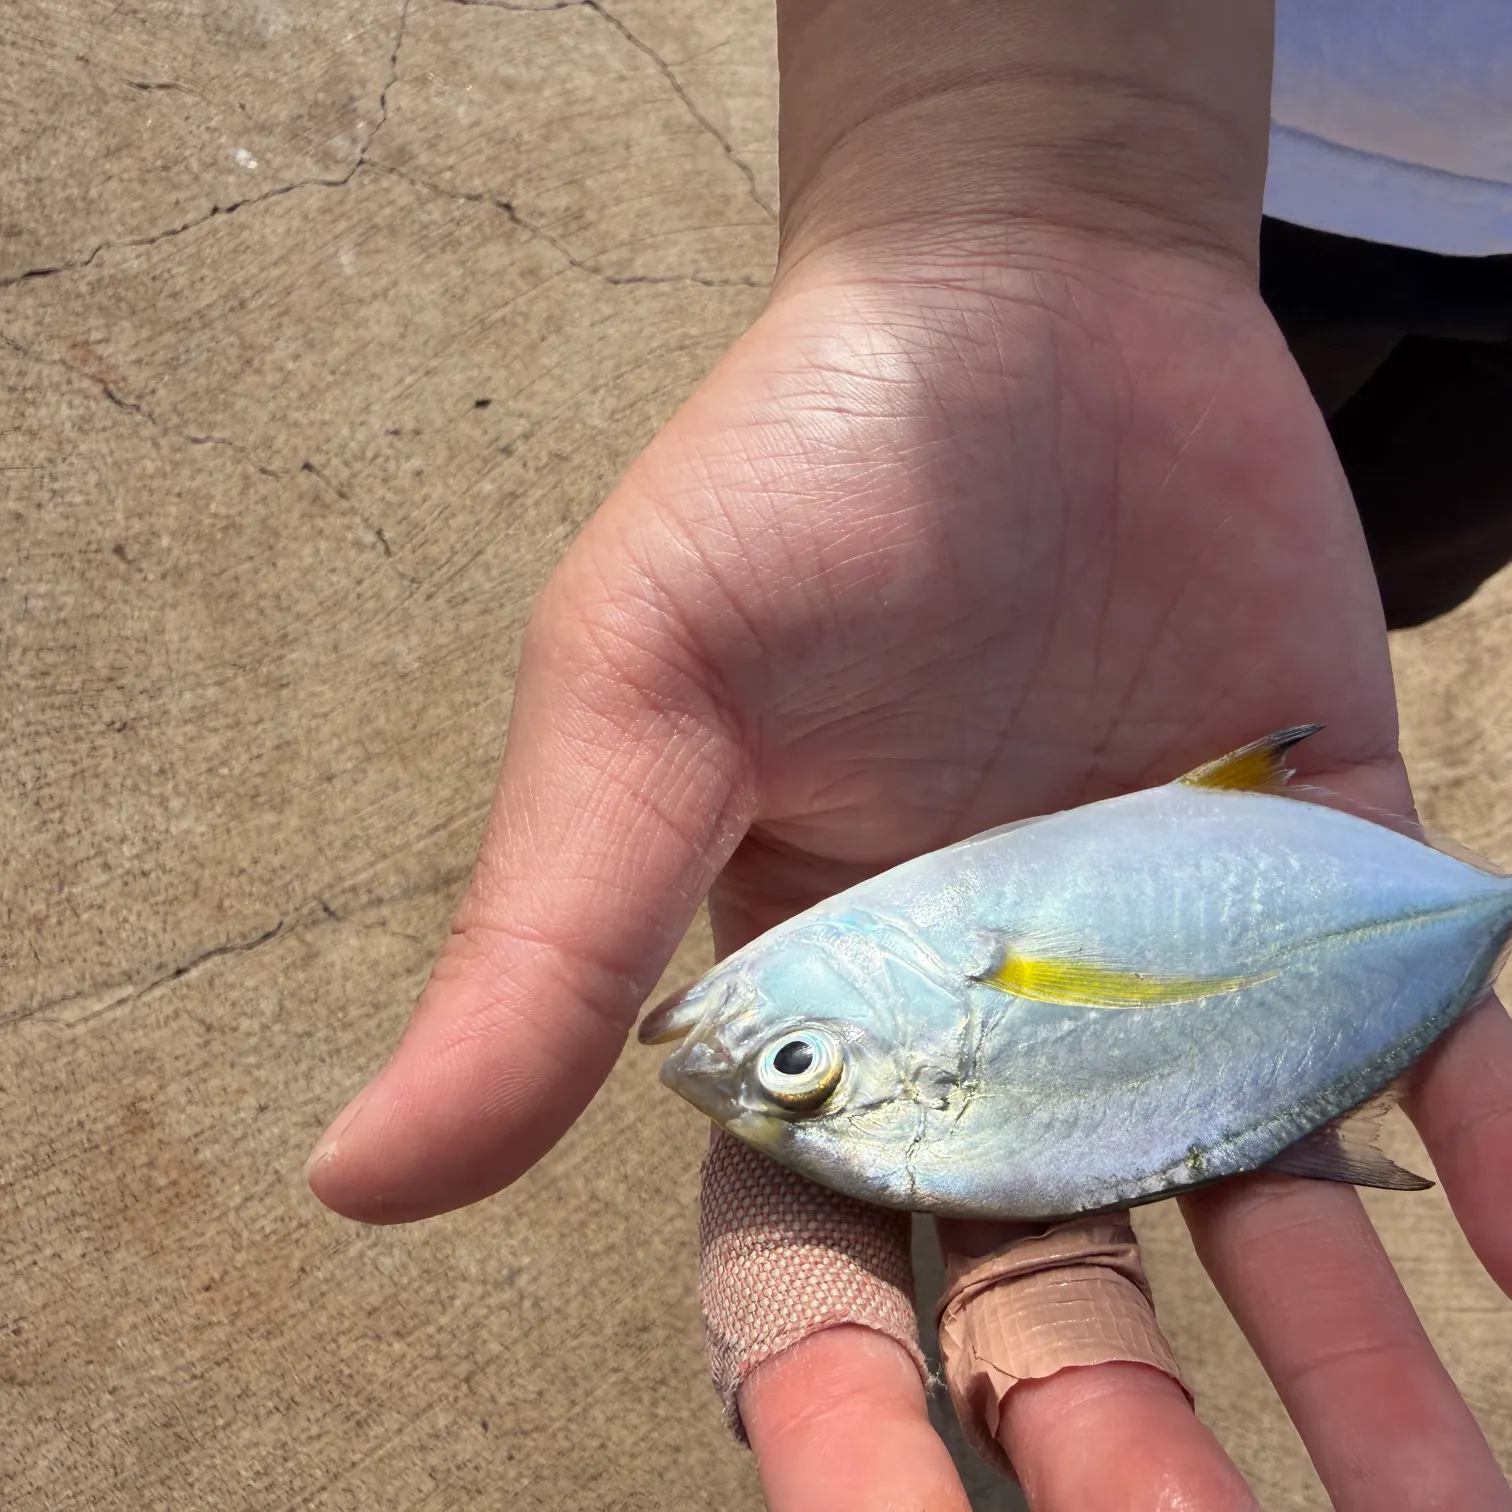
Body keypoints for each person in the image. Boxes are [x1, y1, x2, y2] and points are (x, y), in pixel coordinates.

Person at [304, 3, 1512, 1506]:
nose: (756, 1043)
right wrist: (1011, 174)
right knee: (1323, 514)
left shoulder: (952, 972)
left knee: (1386, 533)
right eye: (795, 1062)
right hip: (1237, 141)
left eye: (801, 1067)